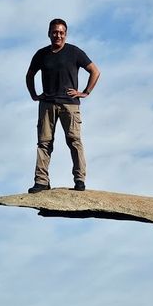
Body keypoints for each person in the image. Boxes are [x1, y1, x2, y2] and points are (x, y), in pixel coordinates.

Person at [25, 18, 101, 192]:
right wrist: (34, 95)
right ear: (49, 33)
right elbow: (29, 76)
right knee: (44, 143)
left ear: (65, 34)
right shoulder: (41, 54)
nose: (57, 35)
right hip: (47, 104)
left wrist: (85, 92)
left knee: (74, 141)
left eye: (61, 32)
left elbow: (95, 71)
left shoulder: (75, 52)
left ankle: (79, 180)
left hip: (70, 104)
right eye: (54, 32)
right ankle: (42, 181)